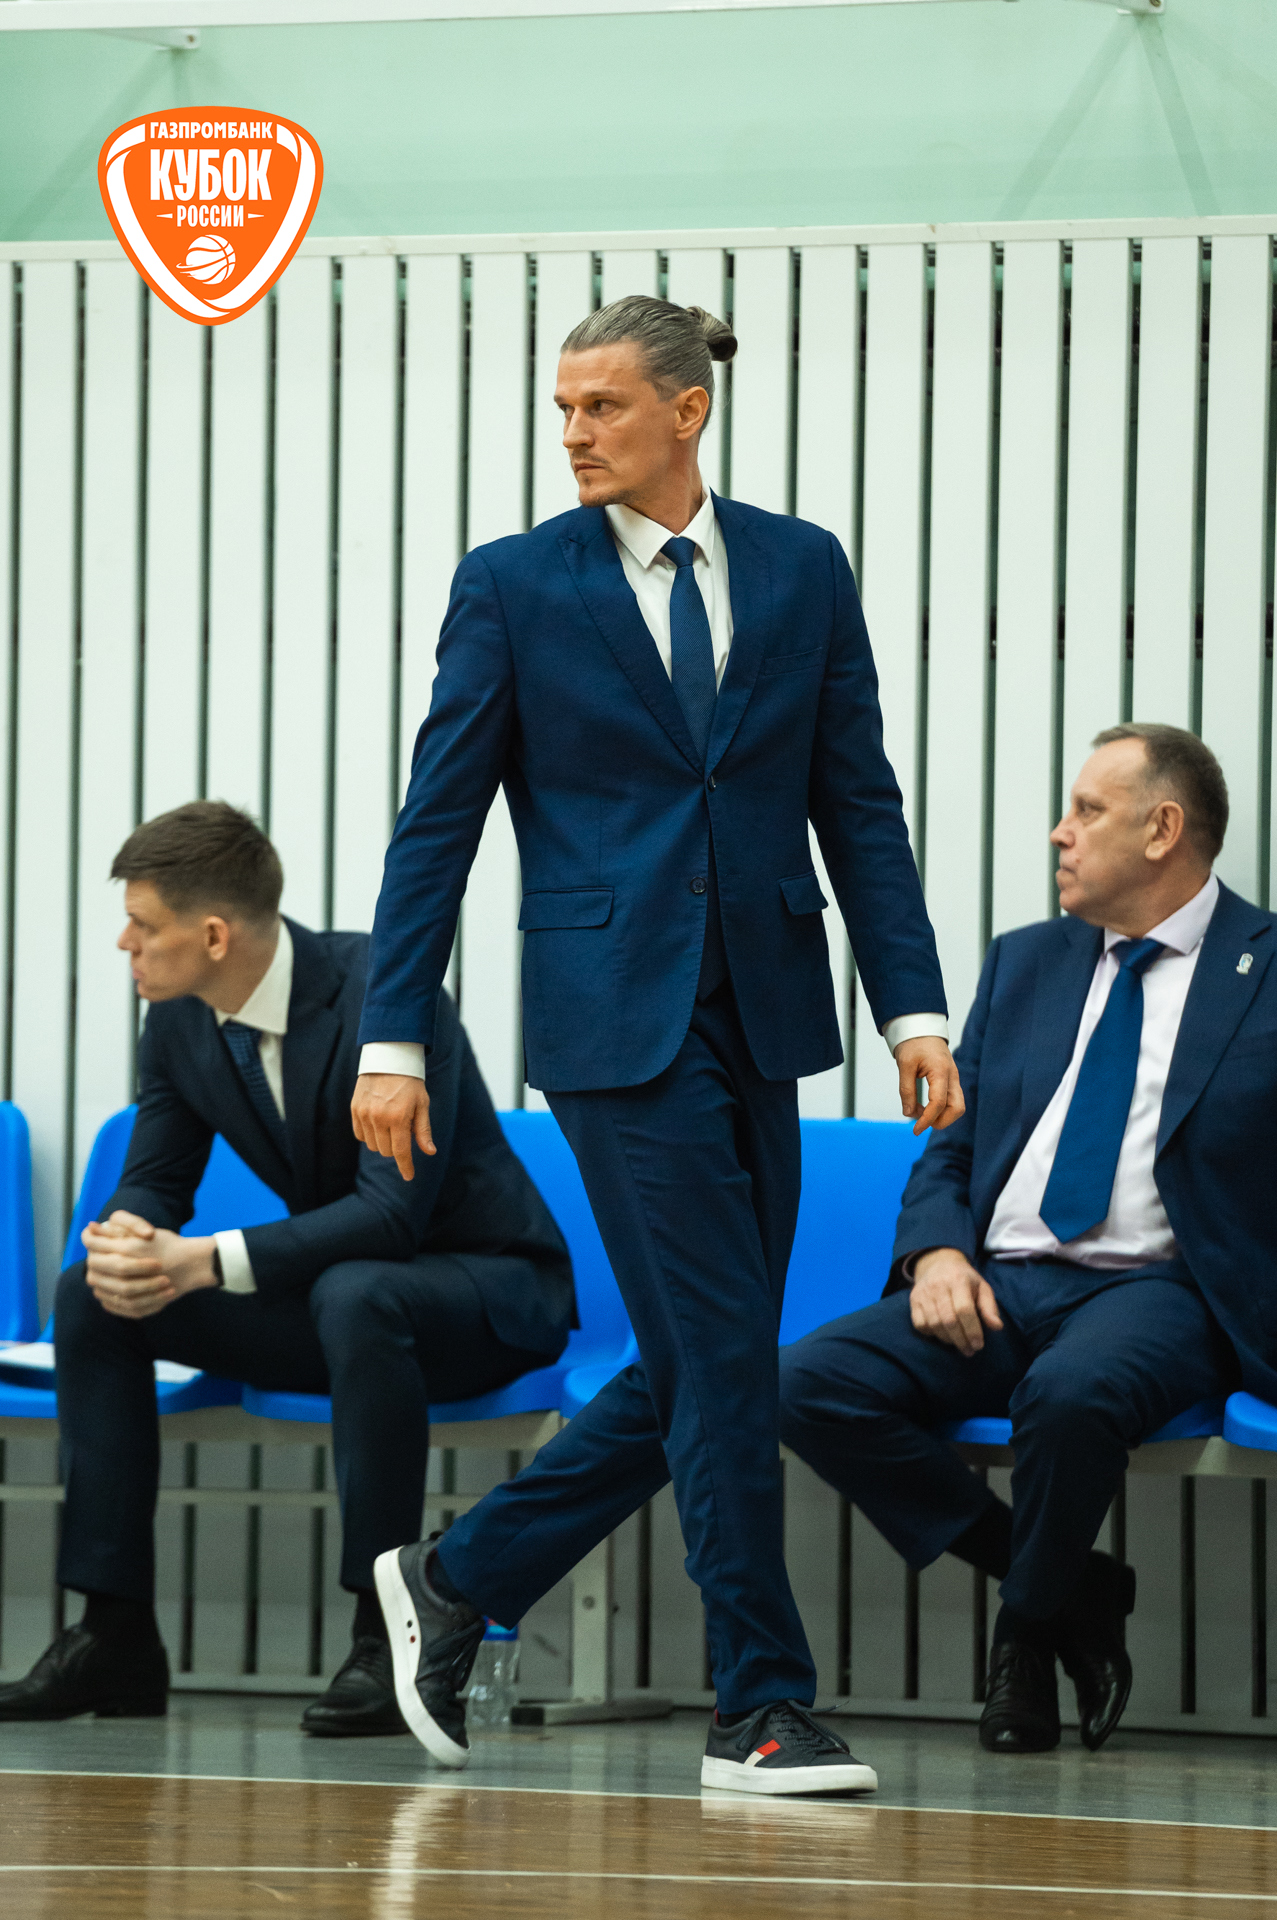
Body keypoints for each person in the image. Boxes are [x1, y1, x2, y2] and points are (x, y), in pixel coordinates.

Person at [350, 296, 961, 1796]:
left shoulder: (803, 568)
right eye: (562, 408)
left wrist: (914, 1007)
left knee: (712, 1353)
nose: (572, 433)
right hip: (610, 1020)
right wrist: (392, 1036)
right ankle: (759, 1703)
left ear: (687, 410)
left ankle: (459, 1575)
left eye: (602, 406)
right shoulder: (512, 585)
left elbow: (857, 803)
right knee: (720, 1348)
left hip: (766, 1006)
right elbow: (437, 825)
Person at [0, 801, 574, 1734]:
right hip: (351, 1313)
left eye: (142, 925)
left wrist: (206, 1261)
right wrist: (129, 1241)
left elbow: (389, 1217)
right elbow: (155, 1179)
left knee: (358, 1292)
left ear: (213, 935)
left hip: (485, 1298)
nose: (123, 944)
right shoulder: (180, 1021)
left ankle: (387, 1638)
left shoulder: (388, 997)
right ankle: (113, 1638)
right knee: (94, 1300)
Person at [779, 724, 1265, 1755]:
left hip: (1157, 1291)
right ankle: (1068, 1588)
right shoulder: (1026, 962)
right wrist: (935, 1252)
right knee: (805, 1383)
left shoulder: (1262, 972)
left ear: (1161, 830)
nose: (1058, 832)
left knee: (1070, 1395)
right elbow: (951, 1144)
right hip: (999, 1280)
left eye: (1087, 810)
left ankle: (1023, 1641)